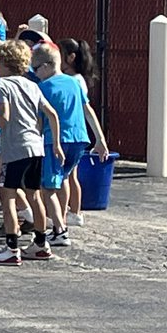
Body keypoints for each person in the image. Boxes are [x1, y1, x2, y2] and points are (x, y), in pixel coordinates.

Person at [0, 39, 65, 267]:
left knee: (7, 195)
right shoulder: (32, 85)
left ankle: (11, 247)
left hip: (16, 148)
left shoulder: (2, 86)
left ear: (3, 63)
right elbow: (52, 114)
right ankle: (40, 243)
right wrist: (55, 144)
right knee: (34, 195)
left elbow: (4, 117)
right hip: (36, 147)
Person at [33, 42, 111, 247]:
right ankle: (63, 221)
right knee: (63, 179)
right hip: (79, 139)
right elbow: (88, 111)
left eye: (36, 68)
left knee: (48, 187)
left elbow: (40, 119)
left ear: (47, 66)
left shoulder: (42, 88)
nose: (35, 73)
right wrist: (100, 139)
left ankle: (60, 229)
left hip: (55, 141)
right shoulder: (75, 83)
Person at [59, 37, 97, 225]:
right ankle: (74, 211)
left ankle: (69, 212)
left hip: (71, 132)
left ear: (71, 57)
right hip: (77, 132)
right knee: (71, 175)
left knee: (66, 176)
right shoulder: (78, 79)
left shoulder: (72, 81)